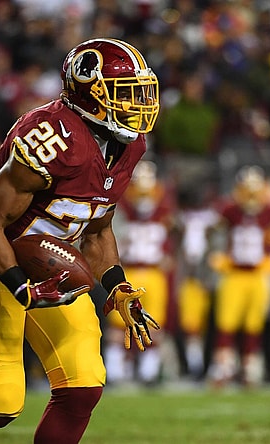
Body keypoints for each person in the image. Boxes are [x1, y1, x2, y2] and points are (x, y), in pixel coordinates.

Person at [0, 38, 160, 444]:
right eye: (125, 93)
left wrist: (118, 287)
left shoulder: (130, 146)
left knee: (83, 386)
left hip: (54, 266)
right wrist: (20, 287)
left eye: (140, 92)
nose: (139, 104)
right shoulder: (51, 139)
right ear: (90, 93)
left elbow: (97, 229)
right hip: (1, 261)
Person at [207, 166, 270, 387]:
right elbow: (211, 230)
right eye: (247, 190)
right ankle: (224, 367)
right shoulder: (229, 210)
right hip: (234, 273)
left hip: (258, 275)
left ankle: (249, 368)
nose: (250, 196)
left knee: (254, 324)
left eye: (254, 190)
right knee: (226, 322)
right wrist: (217, 254)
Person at [106, 160, 175, 386]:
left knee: (153, 324)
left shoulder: (165, 211)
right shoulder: (120, 210)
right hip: (129, 271)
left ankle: (149, 371)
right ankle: (115, 370)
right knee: (119, 323)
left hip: (154, 273)